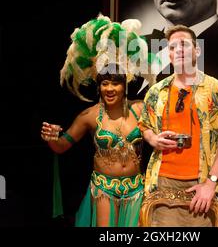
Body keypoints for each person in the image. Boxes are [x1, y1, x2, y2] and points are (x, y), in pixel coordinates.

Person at [41, 15, 156, 227]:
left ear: (124, 86)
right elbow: (61, 147)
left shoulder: (139, 108)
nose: (109, 89)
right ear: (98, 86)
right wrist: (51, 138)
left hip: (136, 189)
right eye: (104, 84)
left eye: (115, 83)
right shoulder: (90, 116)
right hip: (104, 190)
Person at [139, 25, 218, 227]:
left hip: (201, 183)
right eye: (172, 47)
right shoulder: (156, 91)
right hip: (163, 183)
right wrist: (153, 138)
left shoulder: (217, 89)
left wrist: (211, 183)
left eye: (184, 45)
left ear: (197, 50)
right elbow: (145, 126)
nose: (178, 50)